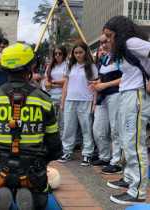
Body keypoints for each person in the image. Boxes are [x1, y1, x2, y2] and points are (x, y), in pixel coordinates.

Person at [0, 43, 62, 210]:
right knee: (41, 200)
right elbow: (55, 146)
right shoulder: (43, 100)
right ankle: (30, 194)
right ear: (31, 66)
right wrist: (44, 162)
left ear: (4, 68)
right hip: (33, 170)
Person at [103, 15, 150, 205]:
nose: (106, 39)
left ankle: (138, 191)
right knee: (126, 139)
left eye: (109, 35)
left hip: (136, 96)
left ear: (119, 34)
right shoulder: (123, 48)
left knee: (133, 143)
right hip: (127, 95)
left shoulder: (132, 42)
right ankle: (130, 179)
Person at [58, 41, 98, 166]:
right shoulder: (70, 66)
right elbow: (66, 85)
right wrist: (63, 101)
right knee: (68, 128)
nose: (78, 55)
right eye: (76, 53)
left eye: (80, 52)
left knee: (86, 128)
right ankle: (67, 151)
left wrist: (94, 103)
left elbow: (95, 86)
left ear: (85, 52)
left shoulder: (91, 67)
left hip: (86, 100)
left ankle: (87, 154)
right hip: (70, 100)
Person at [90, 34, 123, 173]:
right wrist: (97, 84)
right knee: (98, 129)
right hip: (102, 99)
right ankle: (105, 156)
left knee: (116, 129)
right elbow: (101, 78)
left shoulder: (120, 57)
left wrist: (103, 85)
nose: (103, 44)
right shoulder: (104, 59)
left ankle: (117, 162)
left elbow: (127, 78)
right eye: (101, 42)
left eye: (106, 41)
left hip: (116, 95)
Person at [45, 45, 67, 138]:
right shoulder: (50, 66)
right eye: (55, 54)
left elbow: (66, 81)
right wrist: (52, 84)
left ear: (64, 54)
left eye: (60, 53)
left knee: (63, 121)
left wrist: (53, 83)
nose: (57, 55)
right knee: (52, 121)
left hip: (63, 96)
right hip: (51, 96)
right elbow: (46, 81)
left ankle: (62, 141)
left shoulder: (67, 64)